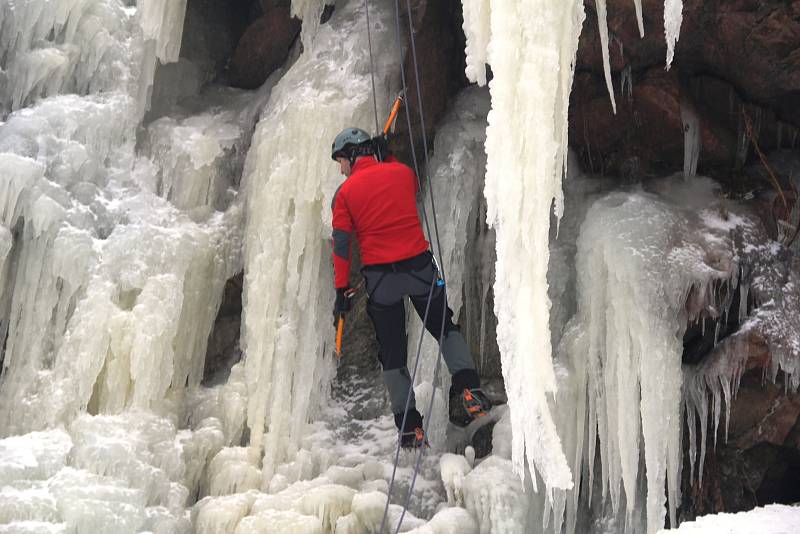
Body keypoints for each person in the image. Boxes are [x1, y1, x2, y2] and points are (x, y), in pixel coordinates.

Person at [329, 127, 491, 449]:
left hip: (381, 280)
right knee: (444, 326)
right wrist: (385, 153)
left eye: (341, 161)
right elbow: (406, 185)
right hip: (420, 269)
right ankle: (470, 388)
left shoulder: (344, 194)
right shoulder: (401, 173)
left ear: (351, 155)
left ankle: (409, 428)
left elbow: (342, 245)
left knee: (392, 353)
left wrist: (341, 290)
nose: (340, 168)